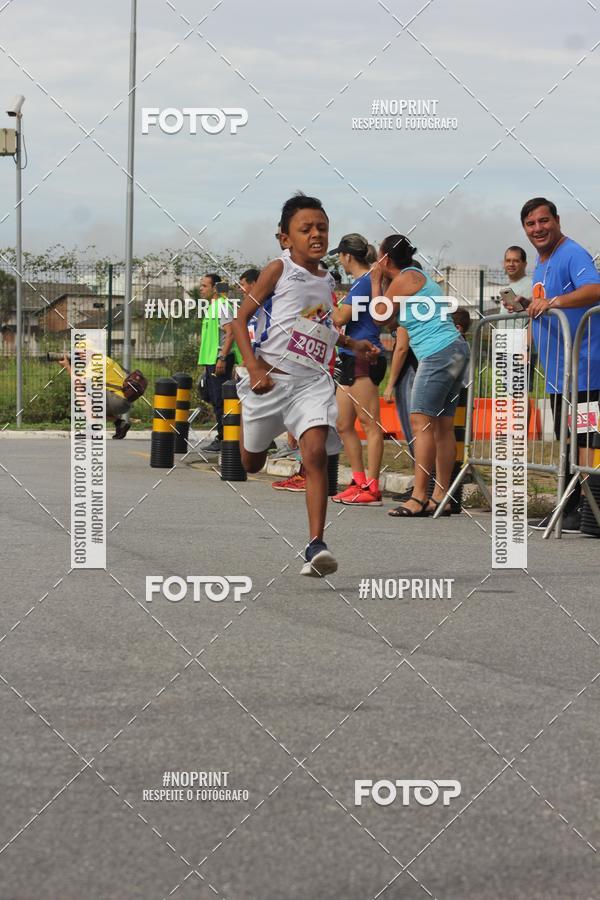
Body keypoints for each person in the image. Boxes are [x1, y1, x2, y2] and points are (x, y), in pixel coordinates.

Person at [231, 193, 380, 576]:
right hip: (267, 381)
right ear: (285, 238)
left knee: (314, 452)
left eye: (322, 228)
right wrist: (253, 366)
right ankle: (249, 437)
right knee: (251, 463)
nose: (316, 234)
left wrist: (352, 342)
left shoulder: (327, 278)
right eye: (306, 229)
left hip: (310, 381)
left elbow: (319, 324)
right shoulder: (277, 270)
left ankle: (316, 545)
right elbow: (239, 320)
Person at [509, 197, 600, 532]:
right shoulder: (541, 260)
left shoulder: (571, 252)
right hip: (559, 372)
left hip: (585, 368)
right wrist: (529, 306)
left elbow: (594, 289)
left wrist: (554, 301)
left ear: (557, 220)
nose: (538, 229)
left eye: (543, 221)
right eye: (531, 224)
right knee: (568, 440)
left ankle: (586, 511)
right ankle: (570, 506)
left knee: (586, 441)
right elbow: (544, 305)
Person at [372, 235, 469, 518]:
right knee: (441, 426)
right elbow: (391, 319)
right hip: (454, 349)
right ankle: (441, 497)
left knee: (421, 422)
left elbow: (379, 317)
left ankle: (418, 496)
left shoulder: (405, 277)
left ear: (385, 259)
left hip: (438, 352)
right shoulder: (413, 279)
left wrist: (376, 281)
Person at [328, 233, 387, 505]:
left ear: (346, 256)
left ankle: (372, 487)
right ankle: (359, 480)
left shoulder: (363, 283)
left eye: (339, 255)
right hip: (349, 356)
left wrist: (326, 305)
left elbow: (340, 317)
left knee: (370, 424)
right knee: (343, 423)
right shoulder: (360, 284)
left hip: (364, 355)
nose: (339, 261)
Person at [197, 274, 241, 453]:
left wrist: (222, 357)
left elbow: (230, 333)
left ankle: (225, 438)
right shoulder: (213, 306)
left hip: (219, 360)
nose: (201, 288)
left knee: (220, 401)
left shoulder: (222, 306)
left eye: (204, 285)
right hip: (211, 359)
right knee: (212, 397)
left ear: (214, 288)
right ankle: (226, 435)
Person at [58, 351, 133, 438]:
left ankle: (92, 427)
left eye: (81, 353)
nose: (78, 357)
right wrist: (71, 365)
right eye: (77, 354)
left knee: (80, 390)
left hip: (117, 400)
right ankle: (120, 424)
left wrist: (67, 367)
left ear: (90, 351)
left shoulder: (97, 361)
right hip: (121, 402)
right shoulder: (98, 360)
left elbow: (79, 383)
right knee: (91, 406)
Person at [499, 246, 532, 315]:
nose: (511, 264)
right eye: (508, 261)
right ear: (504, 263)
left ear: (525, 264)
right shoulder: (508, 288)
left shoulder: (531, 285)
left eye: (516, 261)